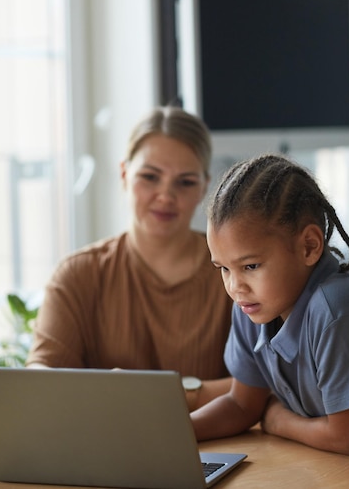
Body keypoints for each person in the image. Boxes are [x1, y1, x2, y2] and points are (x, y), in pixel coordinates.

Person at [191, 153, 349, 489]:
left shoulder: (337, 309)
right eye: (223, 268)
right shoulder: (250, 308)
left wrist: (279, 421)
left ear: (309, 246)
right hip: (342, 473)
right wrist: (172, 434)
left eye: (250, 266)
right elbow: (241, 404)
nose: (235, 287)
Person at [26, 106, 233, 410]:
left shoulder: (236, 272)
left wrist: (139, 393)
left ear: (204, 187)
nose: (165, 196)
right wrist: (194, 394)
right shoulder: (77, 275)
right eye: (150, 177)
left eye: (185, 182)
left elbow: (272, 383)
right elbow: (40, 382)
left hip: (227, 450)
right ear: (124, 174)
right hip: (102, 451)